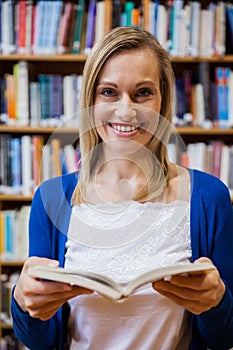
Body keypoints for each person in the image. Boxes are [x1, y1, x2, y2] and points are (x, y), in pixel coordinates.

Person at [11, 26, 233, 350]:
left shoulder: (208, 198)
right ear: (90, 100)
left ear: (162, 101)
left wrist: (217, 302)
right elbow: (42, 341)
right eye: (109, 92)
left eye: (143, 92)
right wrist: (24, 304)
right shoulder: (51, 199)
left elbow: (223, 336)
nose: (126, 110)